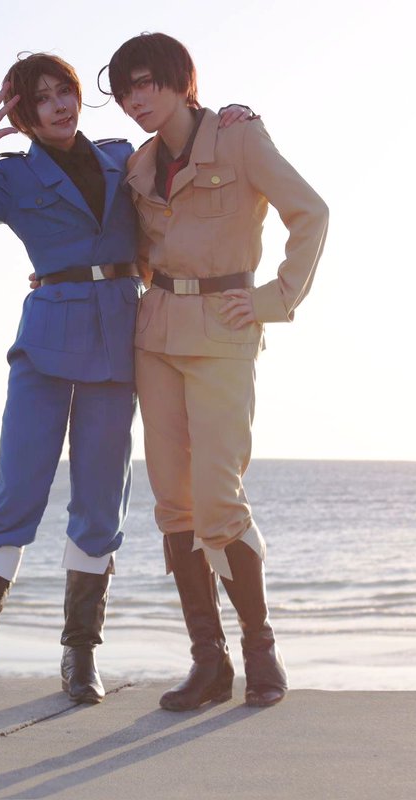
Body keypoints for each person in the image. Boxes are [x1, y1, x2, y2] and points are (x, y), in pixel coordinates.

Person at [0, 52, 250, 707]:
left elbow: (183, 160)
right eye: (42, 98)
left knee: (100, 506)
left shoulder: (121, 158)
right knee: (17, 495)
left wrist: (231, 120)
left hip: (116, 343)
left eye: (65, 92)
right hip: (45, 345)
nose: (58, 105)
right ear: (24, 115)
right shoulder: (13, 174)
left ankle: (80, 657)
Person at [106, 32, 329, 710]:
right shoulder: (139, 165)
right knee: (173, 503)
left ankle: (261, 649)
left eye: (146, 83)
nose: (135, 100)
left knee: (218, 499)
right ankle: (209, 662)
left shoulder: (238, 138)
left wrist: (275, 298)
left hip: (225, 331)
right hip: (155, 336)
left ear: (181, 81)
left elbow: (311, 212)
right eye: (125, 91)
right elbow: (137, 248)